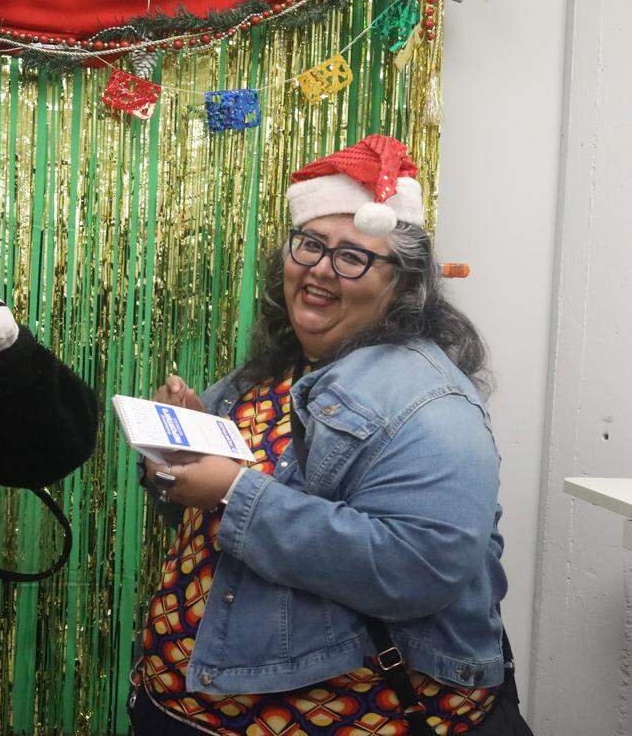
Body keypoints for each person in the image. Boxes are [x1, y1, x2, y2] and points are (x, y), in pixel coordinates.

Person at [131, 136, 530, 735]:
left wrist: (233, 492)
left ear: (403, 284)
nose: (320, 268)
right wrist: (177, 455)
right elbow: (203, 520)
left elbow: (419, 567)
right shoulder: (271, 372)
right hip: (192, 705)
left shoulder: (434, 404)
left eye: (352, 257)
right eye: (310, 245)